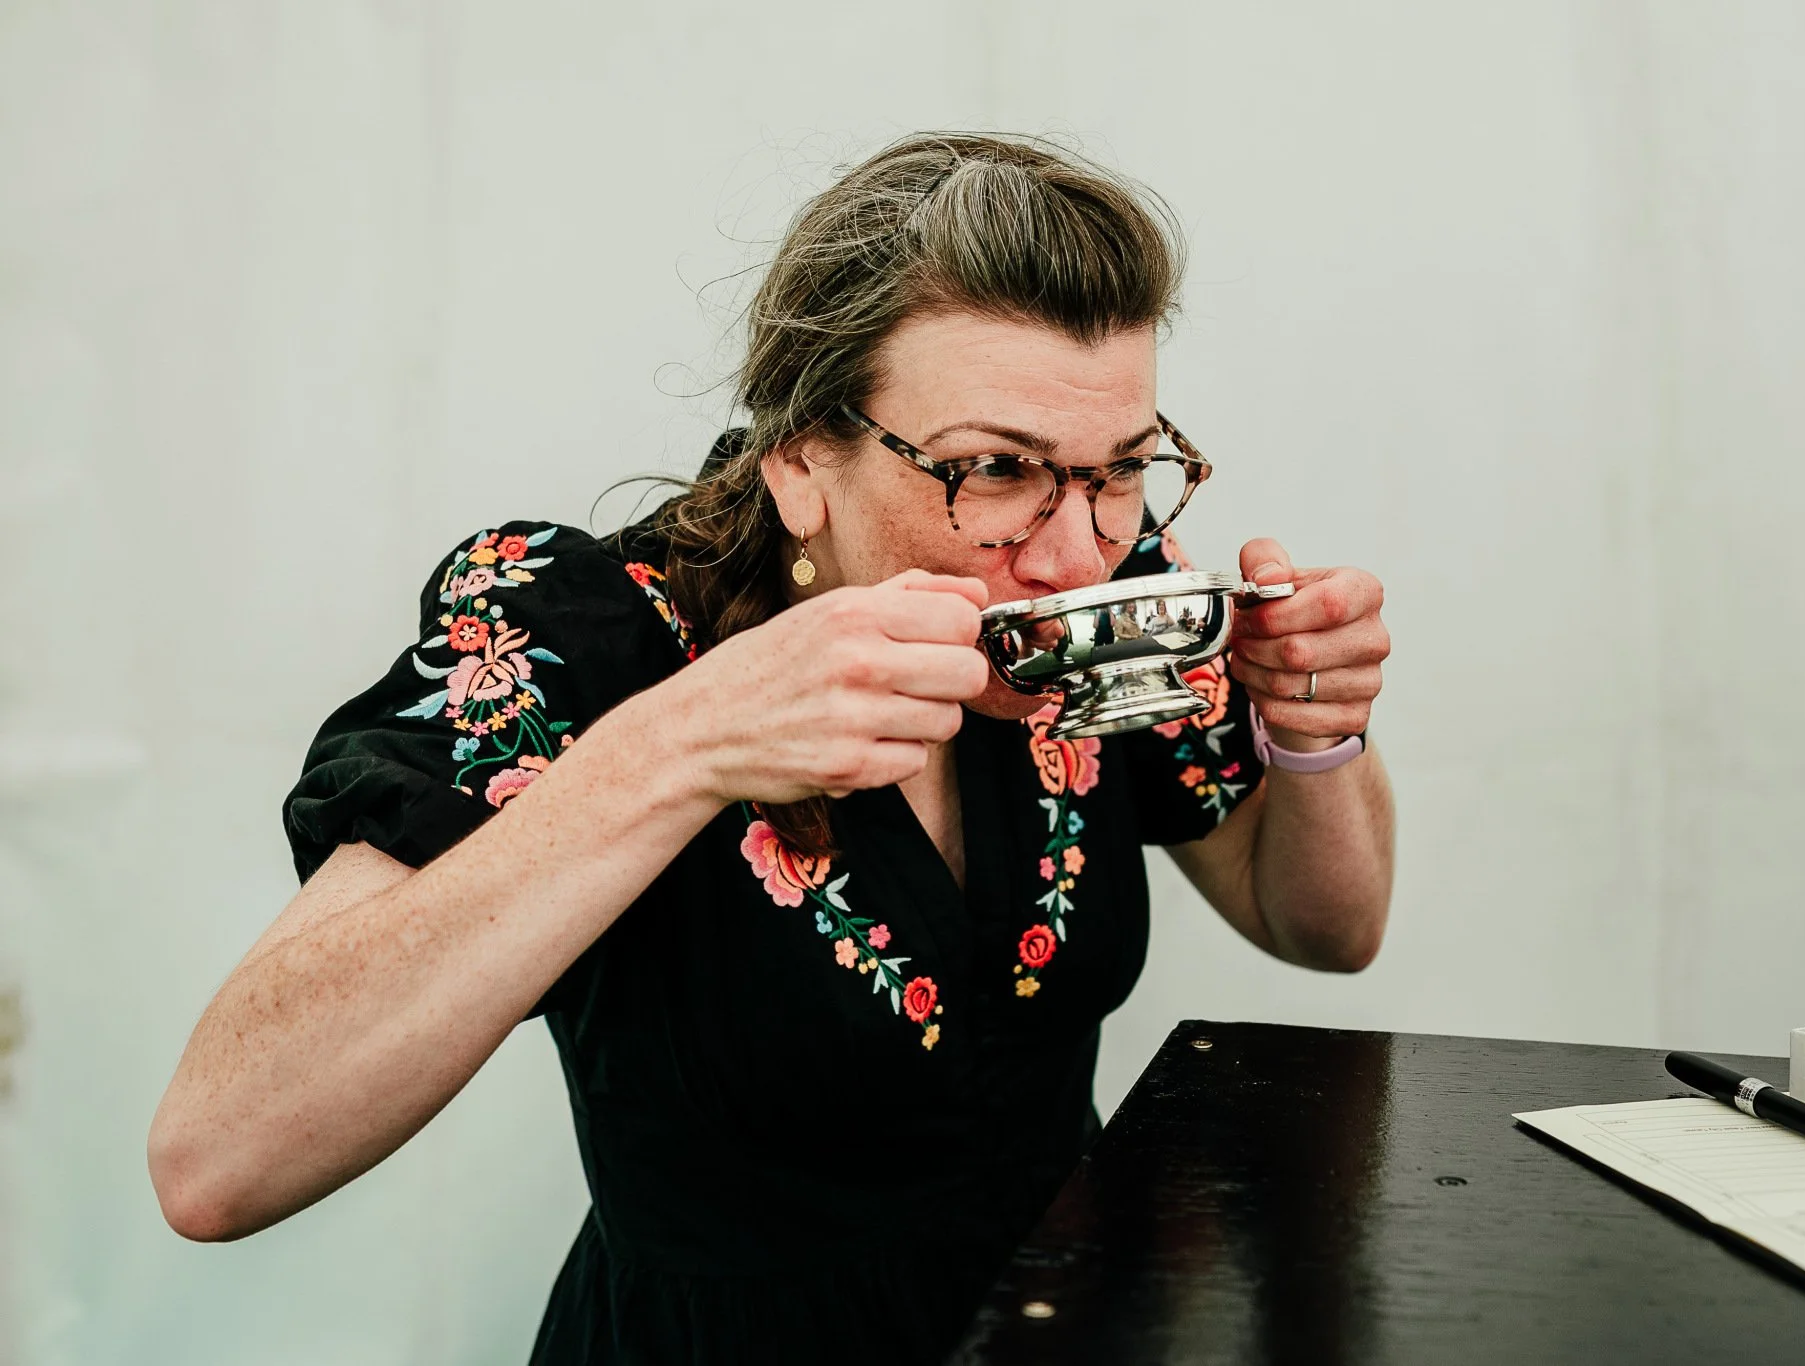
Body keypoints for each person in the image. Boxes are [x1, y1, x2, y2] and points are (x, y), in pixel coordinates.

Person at [147, 132, 1395, 1365]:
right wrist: (681, 745)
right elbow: (217, 1162)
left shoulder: (1096, 585)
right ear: (802, 459)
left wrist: (1312, 729)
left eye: (1120, 470)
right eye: (994, 470)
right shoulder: (580, 633)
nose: (1076, 553)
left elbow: (1324, 930)